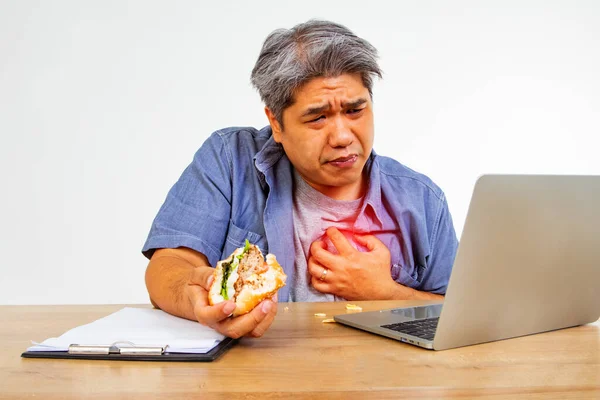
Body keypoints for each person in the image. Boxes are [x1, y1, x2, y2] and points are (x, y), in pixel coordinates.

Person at [142, 20, 458, 339]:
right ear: (276, 123)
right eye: (318, 117)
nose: (342, 137)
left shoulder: (422, 199)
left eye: (354, 111)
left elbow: (463, 314)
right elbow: (170, 263)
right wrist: (195, 297)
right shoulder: (230, 160)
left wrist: (385, 293)